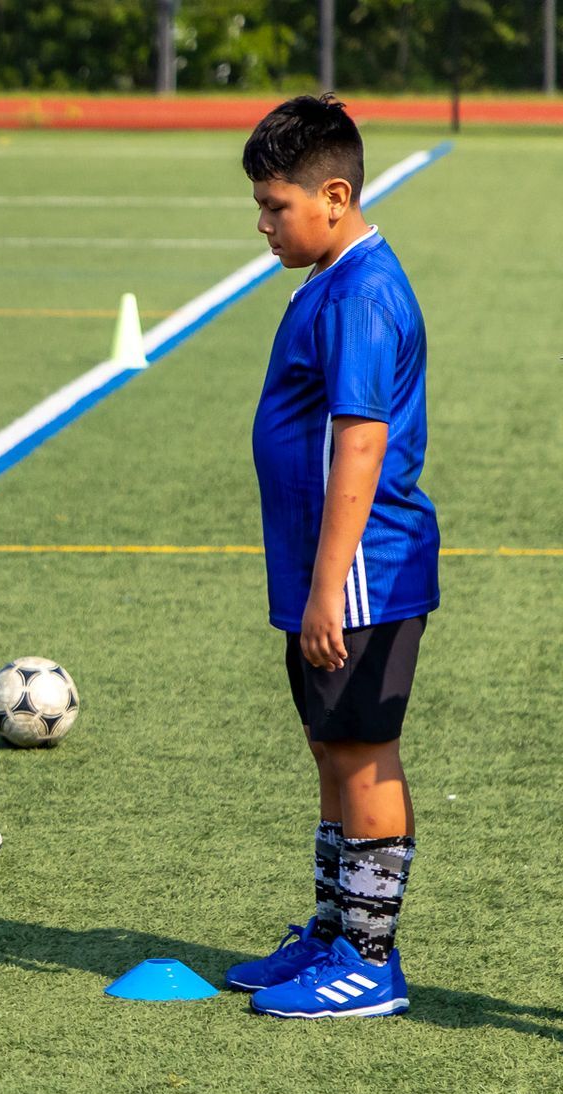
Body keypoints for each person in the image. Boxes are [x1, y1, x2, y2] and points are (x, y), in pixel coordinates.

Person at [223, 96, 437, 1019]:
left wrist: (325, 591)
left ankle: (370, 957)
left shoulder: (362, 294)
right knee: (330, 746)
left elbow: (360, 443)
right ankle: (332, 928)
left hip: (359, 570)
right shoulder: (333, 277)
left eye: (275, 206)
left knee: (363, 753)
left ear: (335, 195)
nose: (264, 223)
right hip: (326, 569)